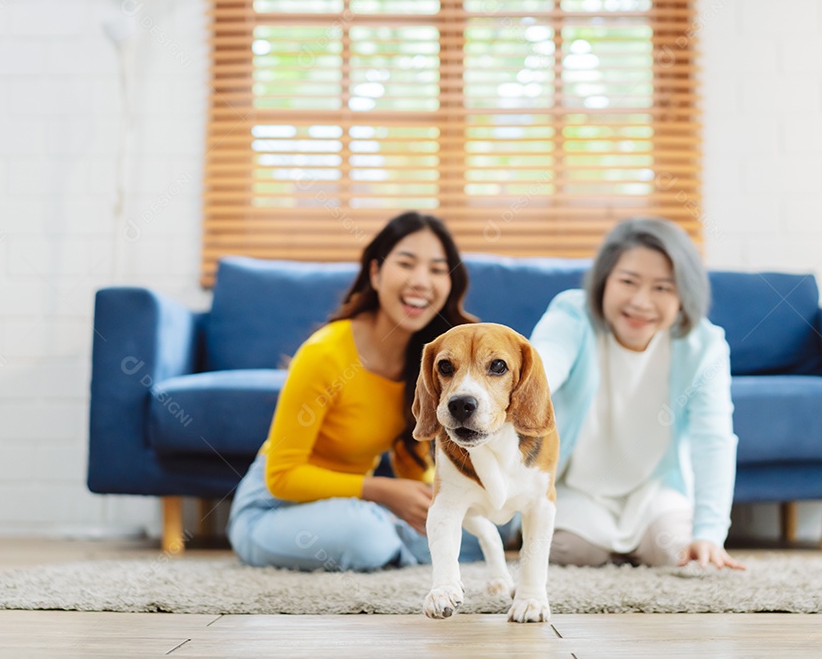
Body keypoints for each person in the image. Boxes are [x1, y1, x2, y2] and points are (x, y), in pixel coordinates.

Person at [226, 211, 480, 571]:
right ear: (375, 273)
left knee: (483, 523)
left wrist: (427, 498)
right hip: (272, 512)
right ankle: (392, 545)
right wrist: (383, 492)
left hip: (353, 507)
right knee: (366, 535)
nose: (422, 281)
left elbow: (410, 457)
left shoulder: (427, 362)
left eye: (438, 270)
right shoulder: (324, 353)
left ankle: (397, 546)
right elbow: (281, 477)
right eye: (406, 264)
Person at [530, 217, 745, 570]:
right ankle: (609, 547)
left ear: (683, 295)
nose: (641, 302)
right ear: (604, 281)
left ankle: (634, 547)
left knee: (674, 552)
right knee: (575, 553)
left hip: (655, 488)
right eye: (628, 281)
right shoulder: (572, 313)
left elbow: (714, 440)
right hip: (577, 485)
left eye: (663, 288)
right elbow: (543, 366)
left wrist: (709, 532)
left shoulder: (704, 344)